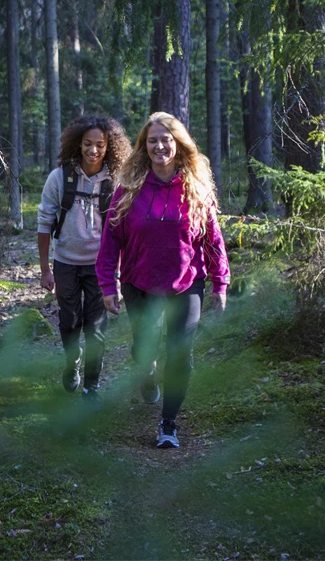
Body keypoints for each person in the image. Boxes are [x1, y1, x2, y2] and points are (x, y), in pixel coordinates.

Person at [96, 112, 230, 448]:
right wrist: (107, 285)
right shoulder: (129, 189)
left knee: (180, 354)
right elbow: (111, 239)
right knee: (144, 350)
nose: (160, 146)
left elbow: (212, 239)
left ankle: (168, 424)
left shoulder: (196, 189)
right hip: (139, 283)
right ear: (144, 146)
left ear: (178, 144)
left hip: (187, 282)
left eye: (166, 139)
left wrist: (220, 281)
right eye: (153, 140)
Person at [37, 114, 132, 398]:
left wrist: (119, 273)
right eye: (88, 144)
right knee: (69, 321)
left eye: (100, 145)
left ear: (109, 146)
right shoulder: (59, 178)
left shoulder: (115, 182)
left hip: (100, 267)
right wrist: (45, 269)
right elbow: (44, 223)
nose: (93, 150)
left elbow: (124, 228)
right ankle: (72, 363)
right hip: (65, 262)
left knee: (96, 328)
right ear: (77, 144)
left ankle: (92, 385)